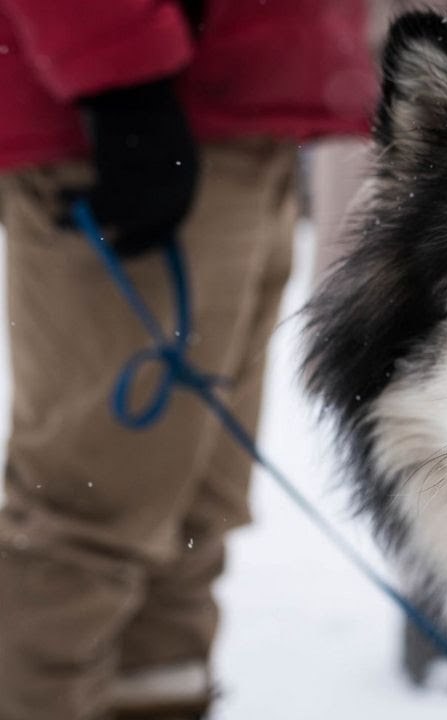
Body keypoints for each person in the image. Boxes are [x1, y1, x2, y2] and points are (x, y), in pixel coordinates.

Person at [0, 2, 375, 719]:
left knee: (193, 521)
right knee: (84, 525)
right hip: (133, 118)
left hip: (242, 109)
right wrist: (117, 74)